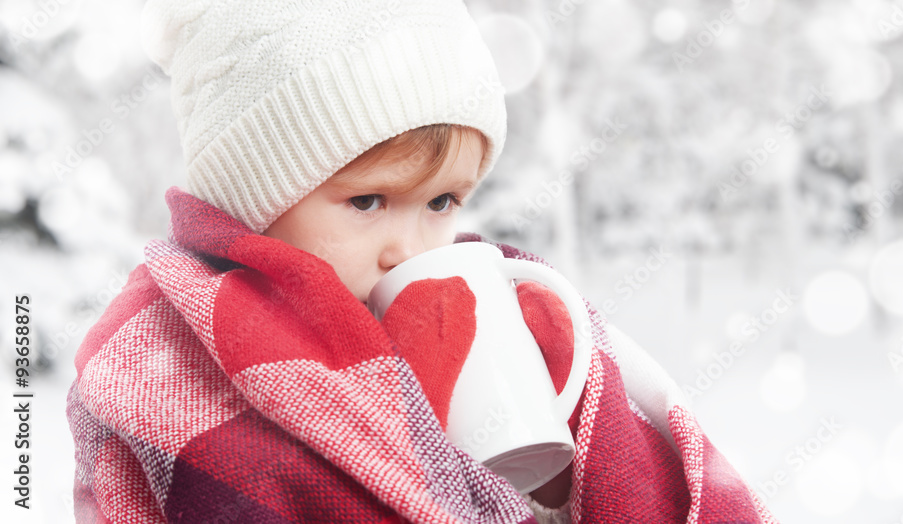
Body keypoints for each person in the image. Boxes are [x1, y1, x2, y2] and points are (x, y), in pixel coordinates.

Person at [68, 1, 778, 522]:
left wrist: (557, 486)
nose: (407, 249)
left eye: (441, 203)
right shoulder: (152, 364)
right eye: (369, 201)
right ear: (255, 197)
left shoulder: (505, 312)